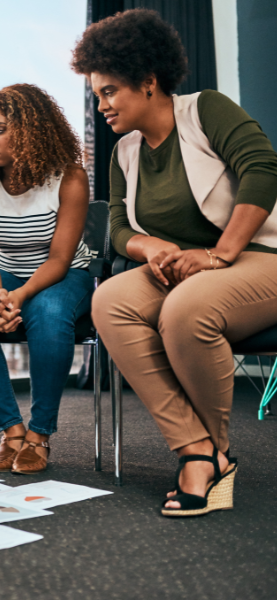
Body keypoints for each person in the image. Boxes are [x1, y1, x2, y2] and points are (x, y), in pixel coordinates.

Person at [72, 9, 277, 516]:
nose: (102, 106)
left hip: (259, 257)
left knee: (185, 310)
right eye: (97, 95)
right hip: (186, 267)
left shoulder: (206, 109)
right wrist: (152, 249)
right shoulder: (124, 152)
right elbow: (119, 227)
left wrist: (220, 252)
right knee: (111, 299)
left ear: (148, 82)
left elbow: (263, 168)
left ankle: (213, 456)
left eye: (110, 91)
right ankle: (197, 449)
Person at [0, 84, 92, 475]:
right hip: (3, 273)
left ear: (31, 130)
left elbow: (61, 259)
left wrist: (21, 296)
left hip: (63, 273)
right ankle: (11, 431)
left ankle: (40, 434)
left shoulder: (70, 178)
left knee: (48, 315)